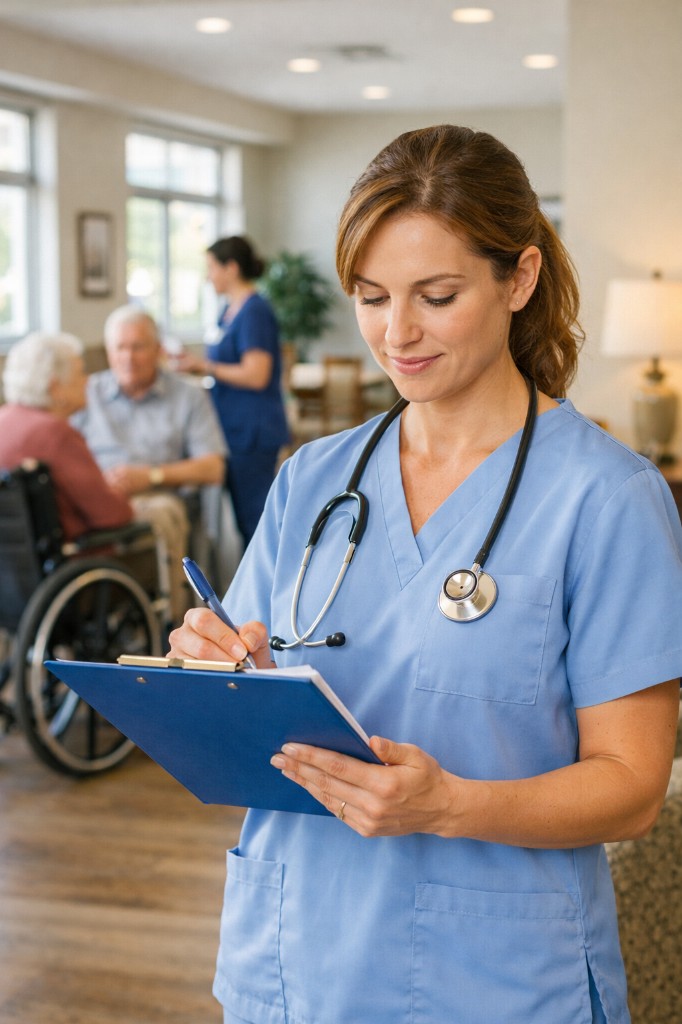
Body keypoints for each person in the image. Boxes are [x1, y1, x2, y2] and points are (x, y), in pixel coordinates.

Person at [168, 126, 682, 1023]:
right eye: (371, 298)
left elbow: (633, 788)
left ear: (518, 279)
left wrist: (449, 804)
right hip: (296, 949)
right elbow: (247, 687)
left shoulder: (608, 499)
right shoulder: (313, 480)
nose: (395, 334)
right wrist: (211, 669)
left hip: (495, 974)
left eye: (435, 296)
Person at [72, 305, 226, 622]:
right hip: (97, 498)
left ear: (157, 350)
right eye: (120, 348)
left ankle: (170, 621)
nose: (128, 357)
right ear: (108, 351)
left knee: (161, 515)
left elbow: (213, 467)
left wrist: (151, 476)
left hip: (159, 498)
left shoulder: (188, 396)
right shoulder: (86, 393)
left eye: (138, 347)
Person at [175, 236, 289, 550]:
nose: (207, 276)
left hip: (252, 429)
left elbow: (256, 374)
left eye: (212, 267)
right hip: (229, 426)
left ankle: (267, 593)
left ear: (232, 268)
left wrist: (205, 366)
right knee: (240, 519)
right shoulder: (227, 310)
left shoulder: (254, 311)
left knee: (255, 519)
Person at [0, 331, 132, 539]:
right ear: (56, 388)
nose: (88, 381)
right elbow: (113, 515)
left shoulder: (4, 419)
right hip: (75, 557)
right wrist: (117, 491)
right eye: (80, 374)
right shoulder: (56, 433)